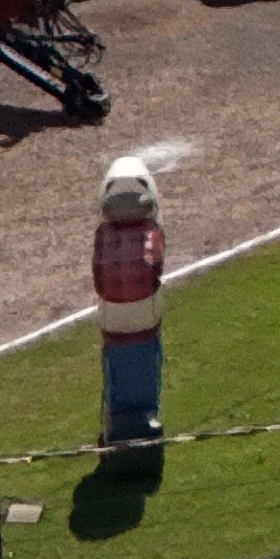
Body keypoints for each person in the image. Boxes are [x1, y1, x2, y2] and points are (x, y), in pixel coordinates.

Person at [93, 161, 168, 456]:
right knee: (148, 371)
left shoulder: (104, 235)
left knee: (114, 377)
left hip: (112, 320)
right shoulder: (152, 232)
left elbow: (99, 279)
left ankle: (113, 432)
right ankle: (144, 427)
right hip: (146, 317)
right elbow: (156, 271)